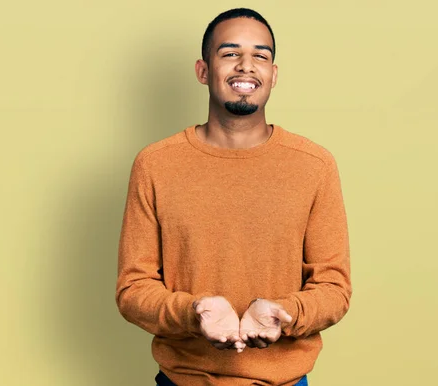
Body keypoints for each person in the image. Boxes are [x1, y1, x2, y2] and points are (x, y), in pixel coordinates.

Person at [116, 7, 352, 386]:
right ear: (203, 71)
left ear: (273, 75)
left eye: (261, 55)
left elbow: (334, 288)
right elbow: (133, 288)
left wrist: (285, 312)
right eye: (230, 53)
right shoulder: (155, 164)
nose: (246, 66)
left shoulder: (314, 165)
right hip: (182, 381)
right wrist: (194, 312)